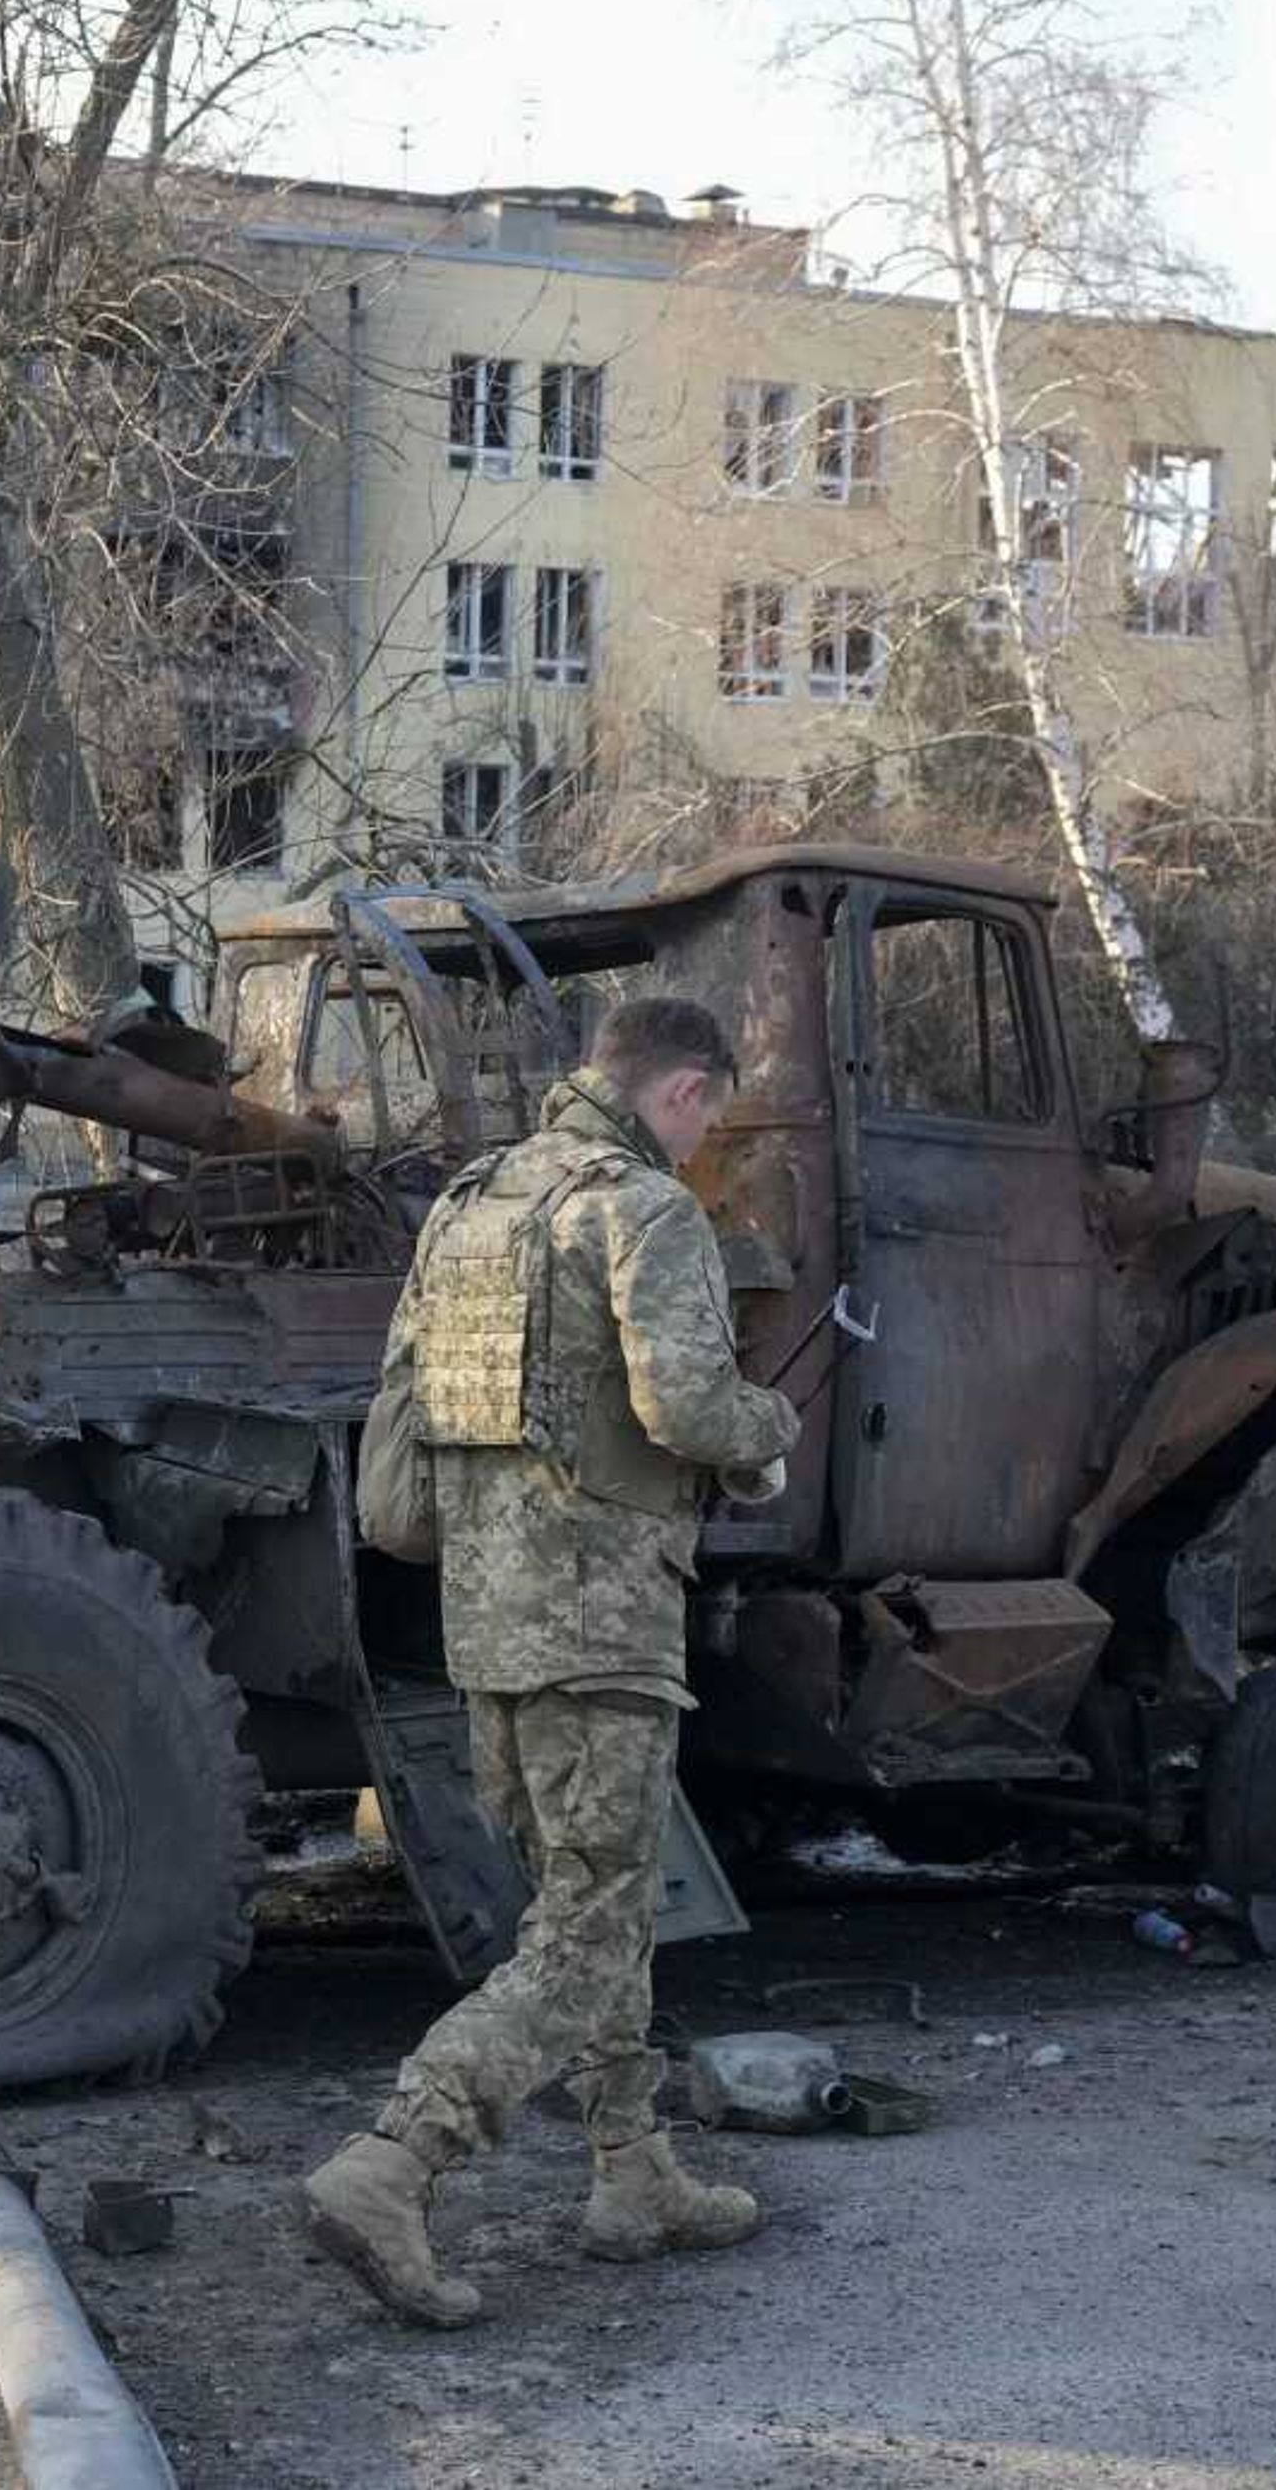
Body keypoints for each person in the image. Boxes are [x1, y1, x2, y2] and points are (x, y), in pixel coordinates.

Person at [302, 994, 801, 2330]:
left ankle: (631, 2173)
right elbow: (690, 1407)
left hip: (488, 1630)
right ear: (686, 1091)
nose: (710, 1149)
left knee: (592, 1905)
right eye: (714, 1120)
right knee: (589, 1928)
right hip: (602, 1623)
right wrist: (769, 1422)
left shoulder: (468, 1205)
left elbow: (399, 1457)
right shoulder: (641, 1211)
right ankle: (398, 2158)